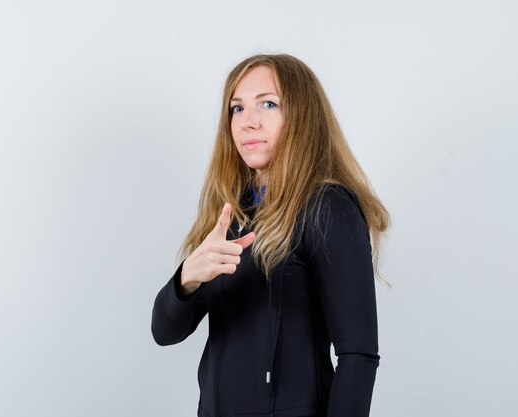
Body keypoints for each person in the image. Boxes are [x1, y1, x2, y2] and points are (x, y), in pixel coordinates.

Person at [151, 54, 391, 417]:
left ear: (301, 116)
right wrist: (187, 278)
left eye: (268, 103)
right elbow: (164, 332)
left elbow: (358, 354)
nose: (248, 122)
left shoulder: (327, 206)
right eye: (237, 108)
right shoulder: (232, 214)